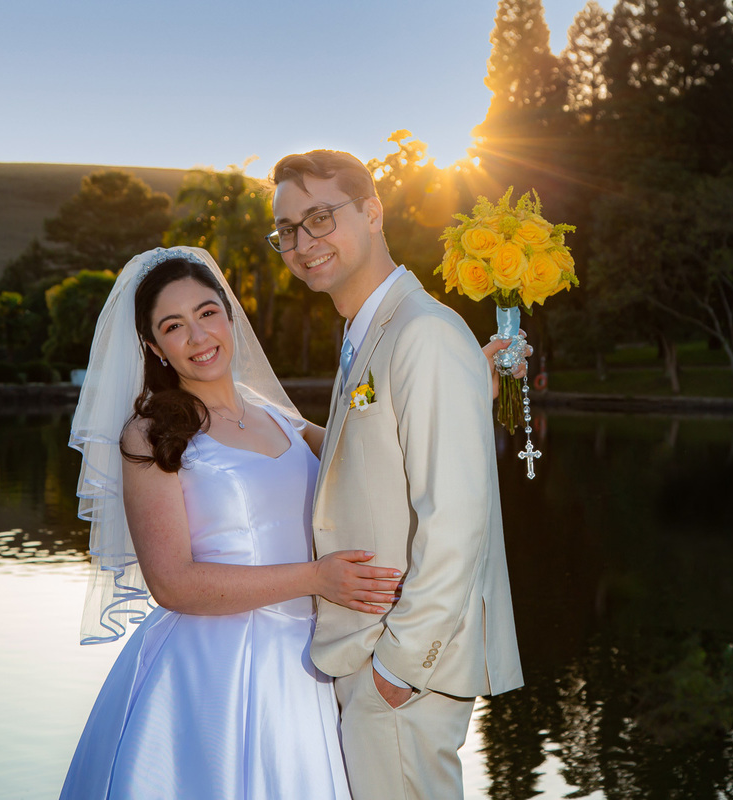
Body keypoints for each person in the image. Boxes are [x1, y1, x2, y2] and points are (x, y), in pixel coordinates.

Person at [59, 246, 403, 799]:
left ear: (229, 313)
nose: (198, 337)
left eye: (207, 313)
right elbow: (171, 583)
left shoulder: (282, 419)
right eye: (174, 326)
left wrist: (461, 379)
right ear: (154, 347)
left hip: (311, 661)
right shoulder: (149, 435)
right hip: (212, 671)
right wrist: (315, 578)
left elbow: (380, 449)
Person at [268, 150, 524, 799]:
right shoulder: (368, 333)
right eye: (288, 230)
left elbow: (457, 520)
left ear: (373, 211)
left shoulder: (424, 334)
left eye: (319, 217)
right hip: (372, 659)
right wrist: (273, 430)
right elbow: (374, 459)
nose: (302, 243)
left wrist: (400, 667)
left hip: (405, 671)